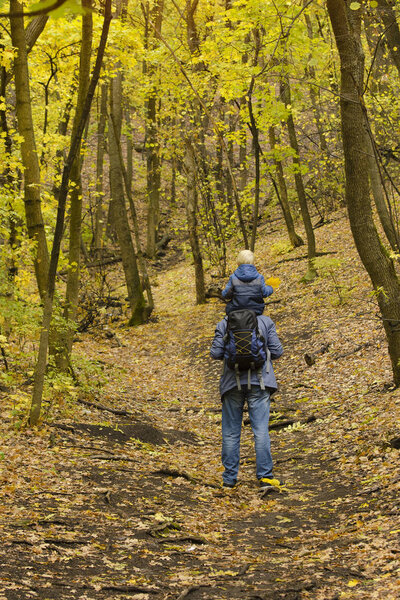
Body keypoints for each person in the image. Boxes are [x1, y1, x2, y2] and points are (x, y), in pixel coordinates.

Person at [210, 311, 284, 492]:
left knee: (230, 432)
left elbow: (215, 353)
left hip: (231, 384)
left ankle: (229, 479)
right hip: (260, 382)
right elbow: (277, 351)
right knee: (260, 431)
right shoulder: (265, 322)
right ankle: (266, 477)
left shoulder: (224, 323)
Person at [222, 249, 274, 316]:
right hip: (256, 311)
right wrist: (270, 288)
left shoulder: (233, 278)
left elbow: (225, 295)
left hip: (236, 311)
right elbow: (264, 293)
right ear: (252, 262)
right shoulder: (259, 277)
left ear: (238, 261)